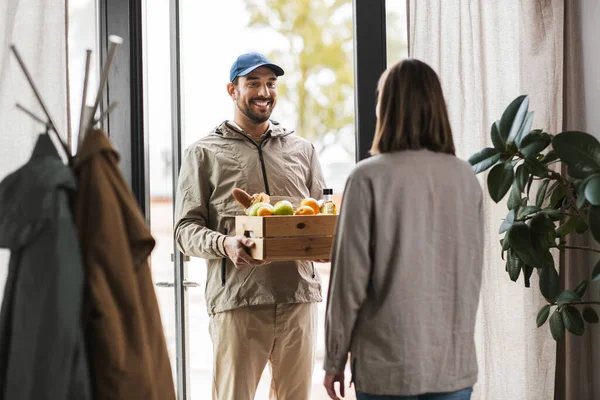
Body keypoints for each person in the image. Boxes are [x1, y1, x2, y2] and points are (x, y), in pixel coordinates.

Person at [322, 58, 484, 400]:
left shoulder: (367, 177)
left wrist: (334, 358)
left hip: (386, 369)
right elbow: (470, 273)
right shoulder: (465, 177)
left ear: (387, 108)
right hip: (453, 367)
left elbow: (348, 281)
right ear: (436, 107)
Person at [174, 52, 327, 400]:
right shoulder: (204, 153)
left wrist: (323, 245)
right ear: (232, 89)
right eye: (253, 83)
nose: (264, 92)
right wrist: (225, 244)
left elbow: (318, 217)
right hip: (239, 300)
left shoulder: (302, 150)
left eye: (271, 84)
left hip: (298, 297)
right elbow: (185, 230)